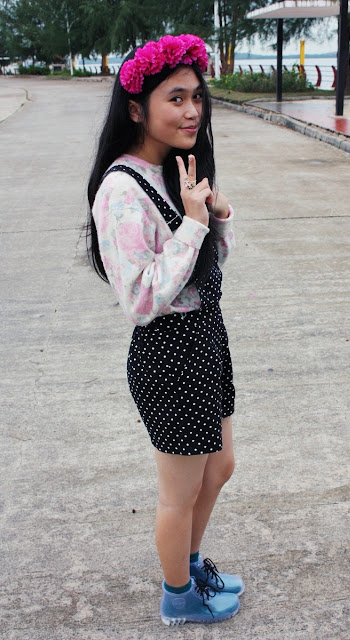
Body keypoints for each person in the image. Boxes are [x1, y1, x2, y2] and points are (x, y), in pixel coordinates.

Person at [86, 34, 243, 626]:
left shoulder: (173, 169)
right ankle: (178, 596)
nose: (191, 111)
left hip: (205, 337)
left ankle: (191, 565)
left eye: (197, 97)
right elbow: (141, 296)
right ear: (136, 108)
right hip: (169, 350)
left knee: (219, 467)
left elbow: (206, 264)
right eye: (175, 99)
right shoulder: (122, 190)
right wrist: (193, 225)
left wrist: (215, 217)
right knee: (179, 492)